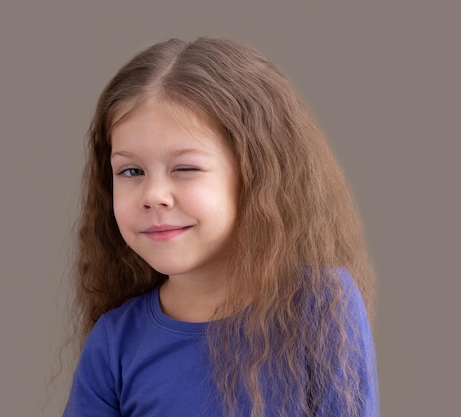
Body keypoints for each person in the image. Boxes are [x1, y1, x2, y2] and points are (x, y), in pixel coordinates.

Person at [62, 37, 379, 417]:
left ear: (255, 175)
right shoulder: (113, 344)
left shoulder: (322, 306)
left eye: (186, 168)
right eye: (131, 171)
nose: (154, 195)